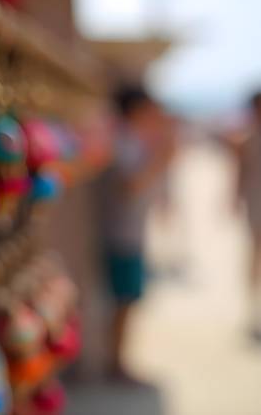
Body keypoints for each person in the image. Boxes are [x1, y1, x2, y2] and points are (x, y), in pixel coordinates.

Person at [102, 86, 175, 381]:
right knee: (124, 301)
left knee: (127, 301)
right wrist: (162, 158)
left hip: (129, 233)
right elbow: (131, 186)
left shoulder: (130, 140)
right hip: (122, 234)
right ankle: (116, 364)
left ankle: (119, 361)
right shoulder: (124, 143)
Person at [237, 91, 261, 341]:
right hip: (256, 204)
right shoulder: (248, 139)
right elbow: (240, 172)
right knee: (255, 257)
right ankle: (252, 310)